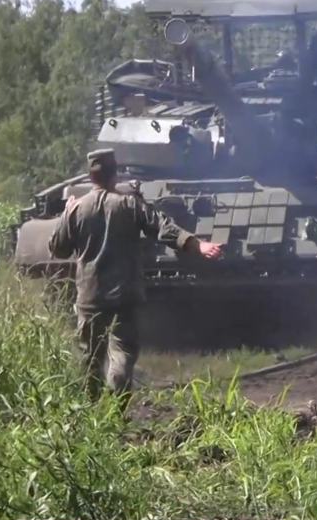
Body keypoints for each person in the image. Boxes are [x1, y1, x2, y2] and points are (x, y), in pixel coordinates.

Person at [47, 148, 222, 409]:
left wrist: (65, 215)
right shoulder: (129, 205)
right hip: (123, 295)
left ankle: (90, 412)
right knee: (122, 353)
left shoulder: (77, 209)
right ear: (114, 174)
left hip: (90, 296)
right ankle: (116, 411)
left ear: (91, 176)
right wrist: (197, 245)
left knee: (89, 356)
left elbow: (58, 249)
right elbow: (162, 227)